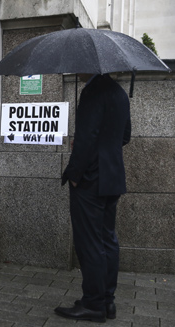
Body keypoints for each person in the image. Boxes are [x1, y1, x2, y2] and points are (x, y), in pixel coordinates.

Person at [55, 73, 131, 322]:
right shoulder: (119, 92)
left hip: (90, 180)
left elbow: (86, 140)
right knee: (107, 239)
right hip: (113, 176)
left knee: (90, 243)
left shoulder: (92, 92)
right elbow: (125, 136)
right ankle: (107, 301)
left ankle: (93, 304)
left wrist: (75, 174)